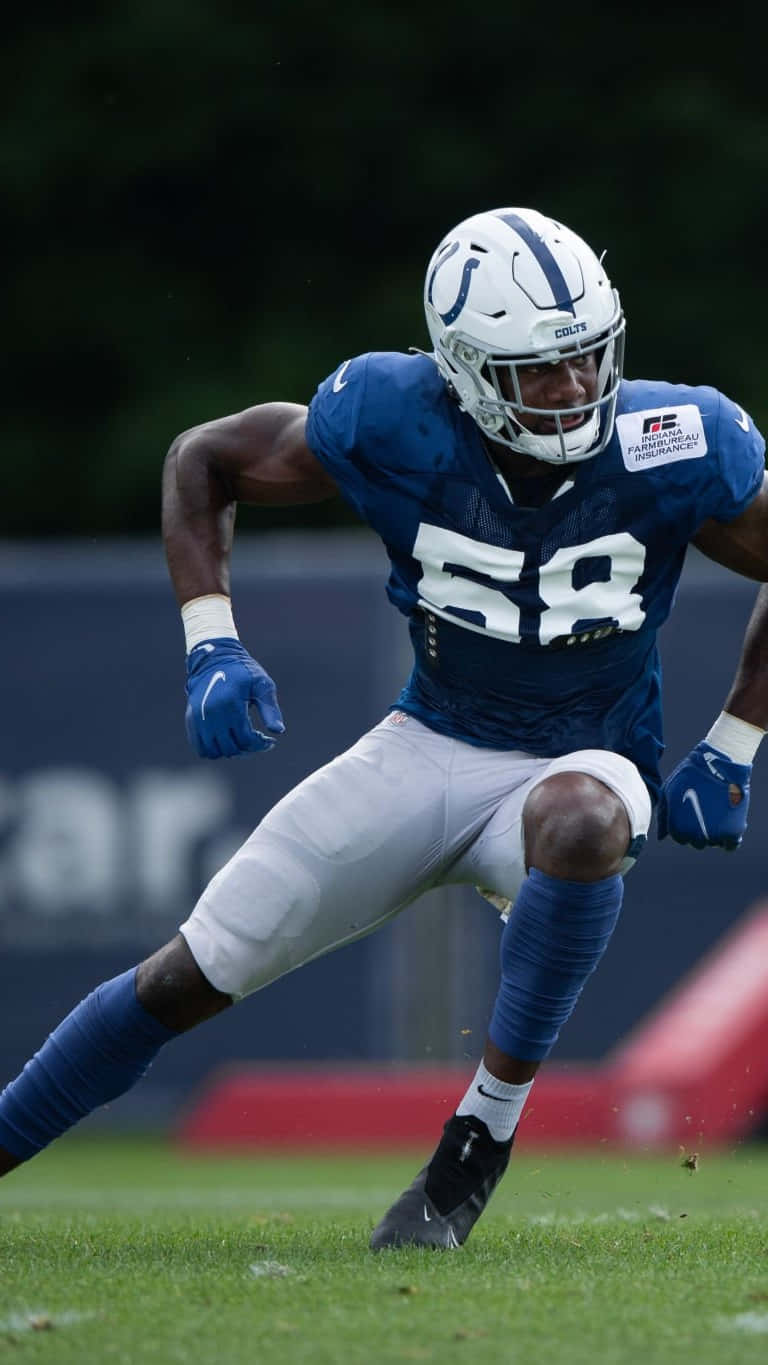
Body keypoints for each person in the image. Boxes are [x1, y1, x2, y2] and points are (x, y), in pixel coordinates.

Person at [1, 206, 767, 1251]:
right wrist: (211, 642)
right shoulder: (389, 415)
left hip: (587, 752)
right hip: (428, 745)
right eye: (539, 370)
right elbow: (205, 458)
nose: (576, 387)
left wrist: (734, 741)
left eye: (589, 357)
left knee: (584, 822)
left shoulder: (675, 442)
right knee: (188, 974)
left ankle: (477, 1142)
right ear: (460, 368)